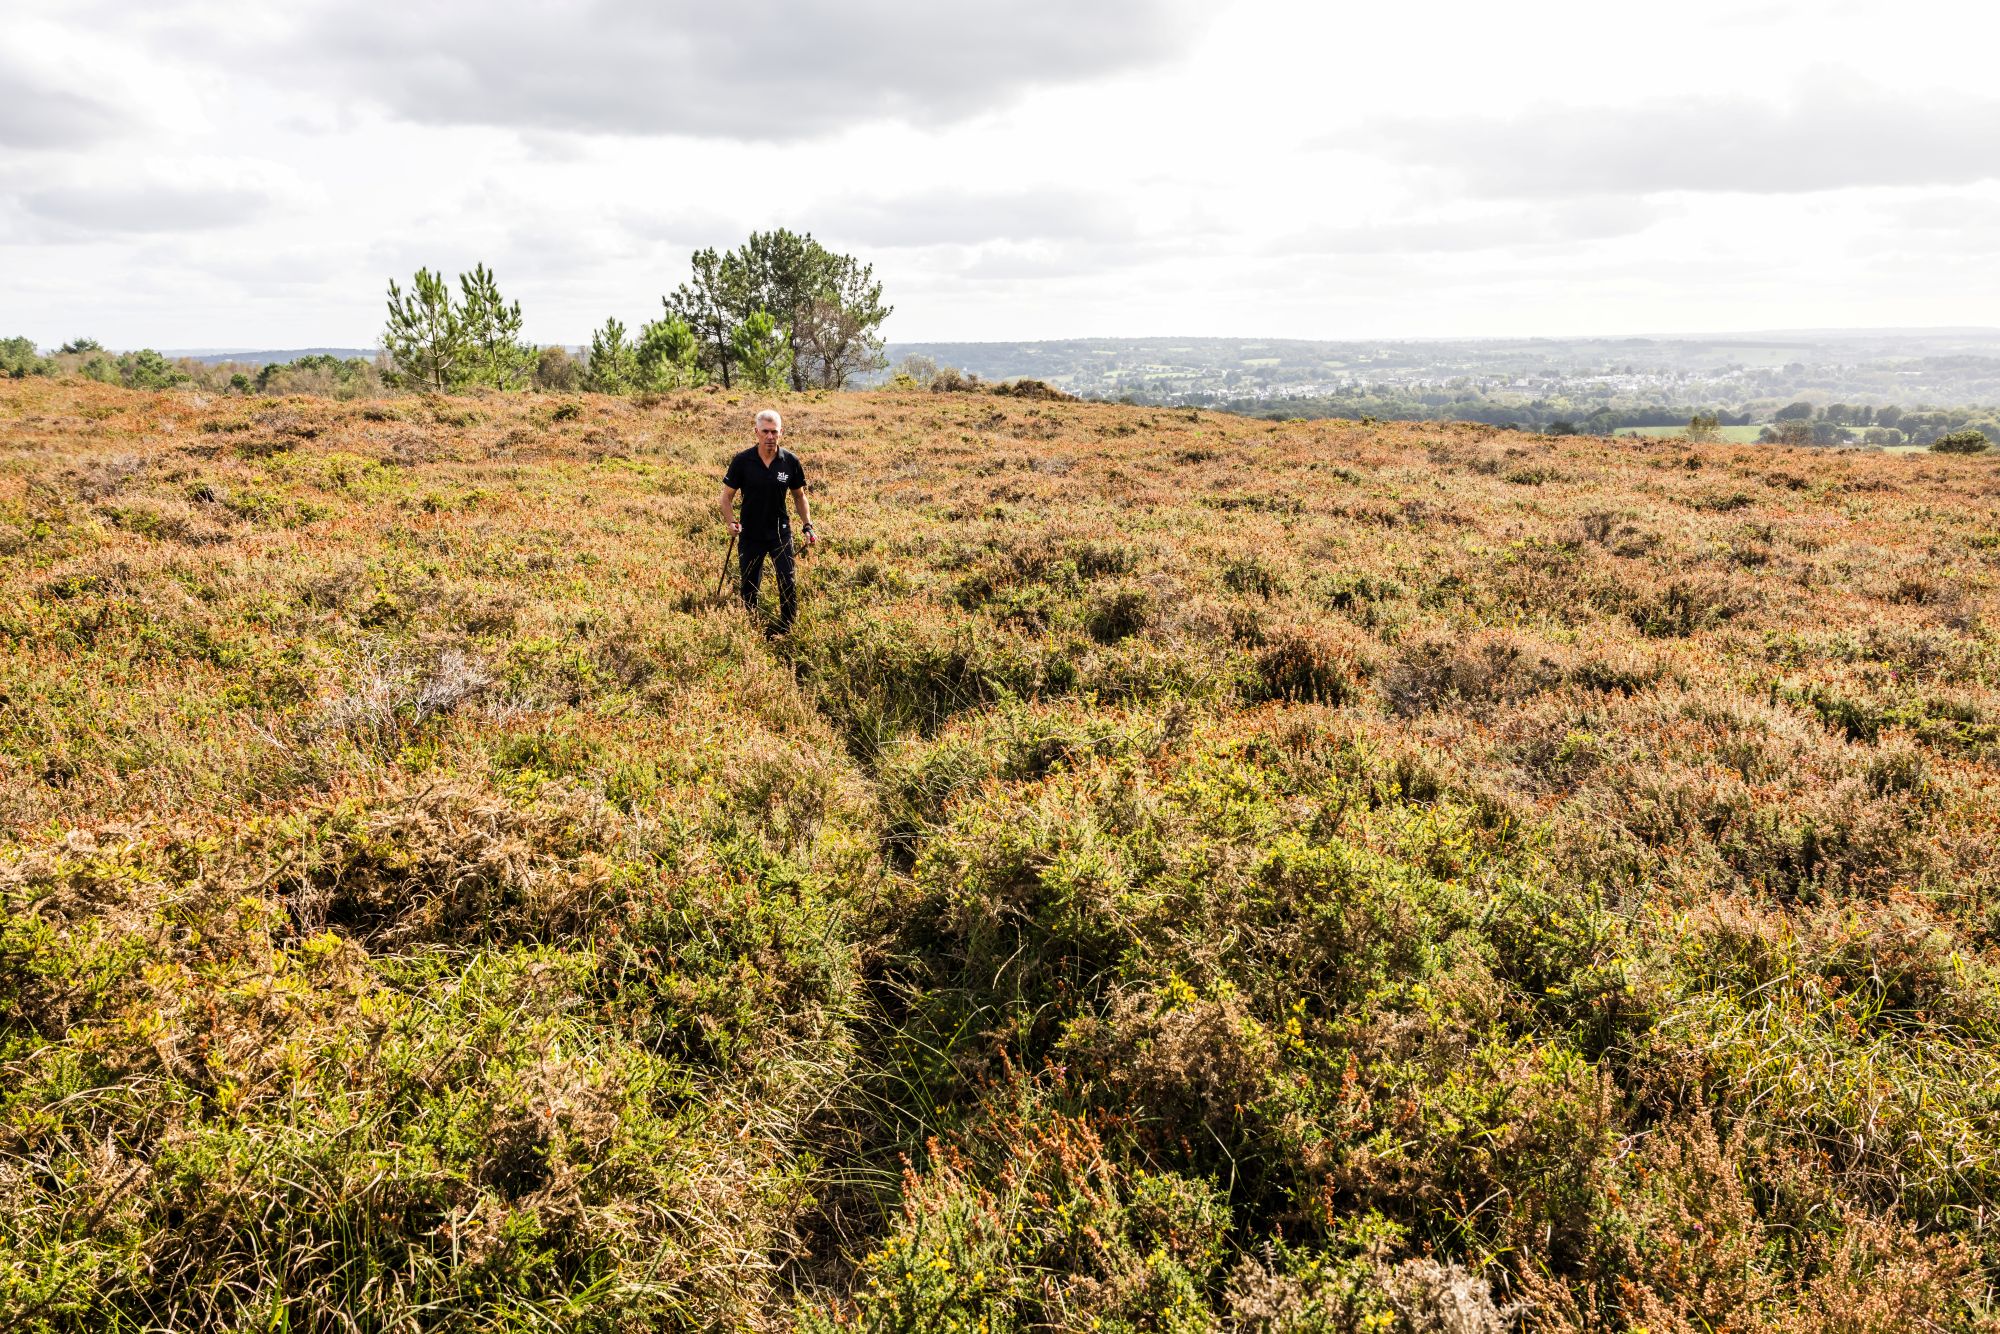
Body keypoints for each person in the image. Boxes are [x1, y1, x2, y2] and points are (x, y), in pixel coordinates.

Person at [719, 408, 815, 634]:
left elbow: (799, 496)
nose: (770, 437)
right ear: (756, 432)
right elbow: (726, 497)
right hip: (750, 533)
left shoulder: (790, 461)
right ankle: (750, 628)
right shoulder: (742, 461)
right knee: (750, 584)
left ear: (781, 432)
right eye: (765, 432)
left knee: (787, 581)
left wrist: (807, 525)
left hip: (780, 533)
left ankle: (787, 628)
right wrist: (731, 522)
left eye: (774, 432)